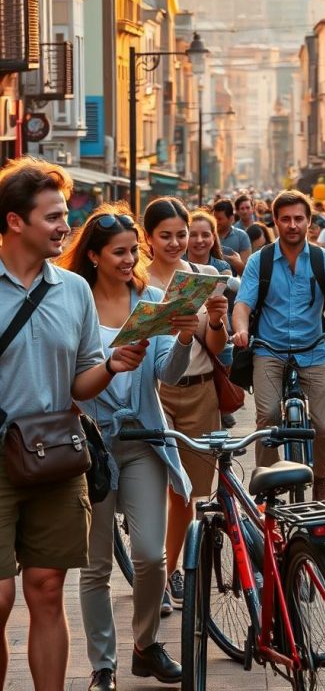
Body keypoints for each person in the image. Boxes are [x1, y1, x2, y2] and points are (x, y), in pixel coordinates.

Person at [0, 159, 146, 691]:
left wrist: (111, 366)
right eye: (55, 215)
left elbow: (80, 384)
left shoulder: (72, 291)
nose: (67, 224)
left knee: (44, 587)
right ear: (16, 222)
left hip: (57, 455)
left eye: (66, 213)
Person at [59, 204, 203, 691]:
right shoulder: (74, 302)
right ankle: (103, 665)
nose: (128, 260)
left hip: (143, 439)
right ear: (94, 256)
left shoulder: (152, 298)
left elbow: (167, 374)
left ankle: (144, 643)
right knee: (95, 566)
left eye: (132, 251)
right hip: (89, 446)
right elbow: (68, 379)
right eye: (118, 252)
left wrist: (184, 338)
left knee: (149, 556)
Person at [232, 189, 325, 501]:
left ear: (309, 222)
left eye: (298, 219)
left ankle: (321, 476)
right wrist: (241, 331)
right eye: (285, 219)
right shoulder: (259, 262)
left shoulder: (321, 259)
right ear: (274, 221)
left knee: (323, 426)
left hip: (312, 349)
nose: (292, 225)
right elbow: (242, 306)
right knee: (267, 418)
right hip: (268, 349)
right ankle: (268, 484)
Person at [142, 199, 229, 611]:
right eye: (167, 235)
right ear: (149, 238)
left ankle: (169, 567)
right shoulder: (137, 280)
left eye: (182, 234)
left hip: (200, 388)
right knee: (156, 487)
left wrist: (215, 319)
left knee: (187, 492)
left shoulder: (205, 275)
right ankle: (154, 574)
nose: (177, 243)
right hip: (154, 391)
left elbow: (215, 347)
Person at [187, 209, 231, 277]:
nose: (199, 240)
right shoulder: (175, 264)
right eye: (193, 235)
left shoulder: (223, 268)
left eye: (205, 235)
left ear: (213, 237)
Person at [212, 199, 251, 276]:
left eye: (219, 219)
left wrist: (236, 263)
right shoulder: (209, 236)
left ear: (231, 219)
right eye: (214, 218)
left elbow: (246, 272)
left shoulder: (242, 236)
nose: (216, 222)